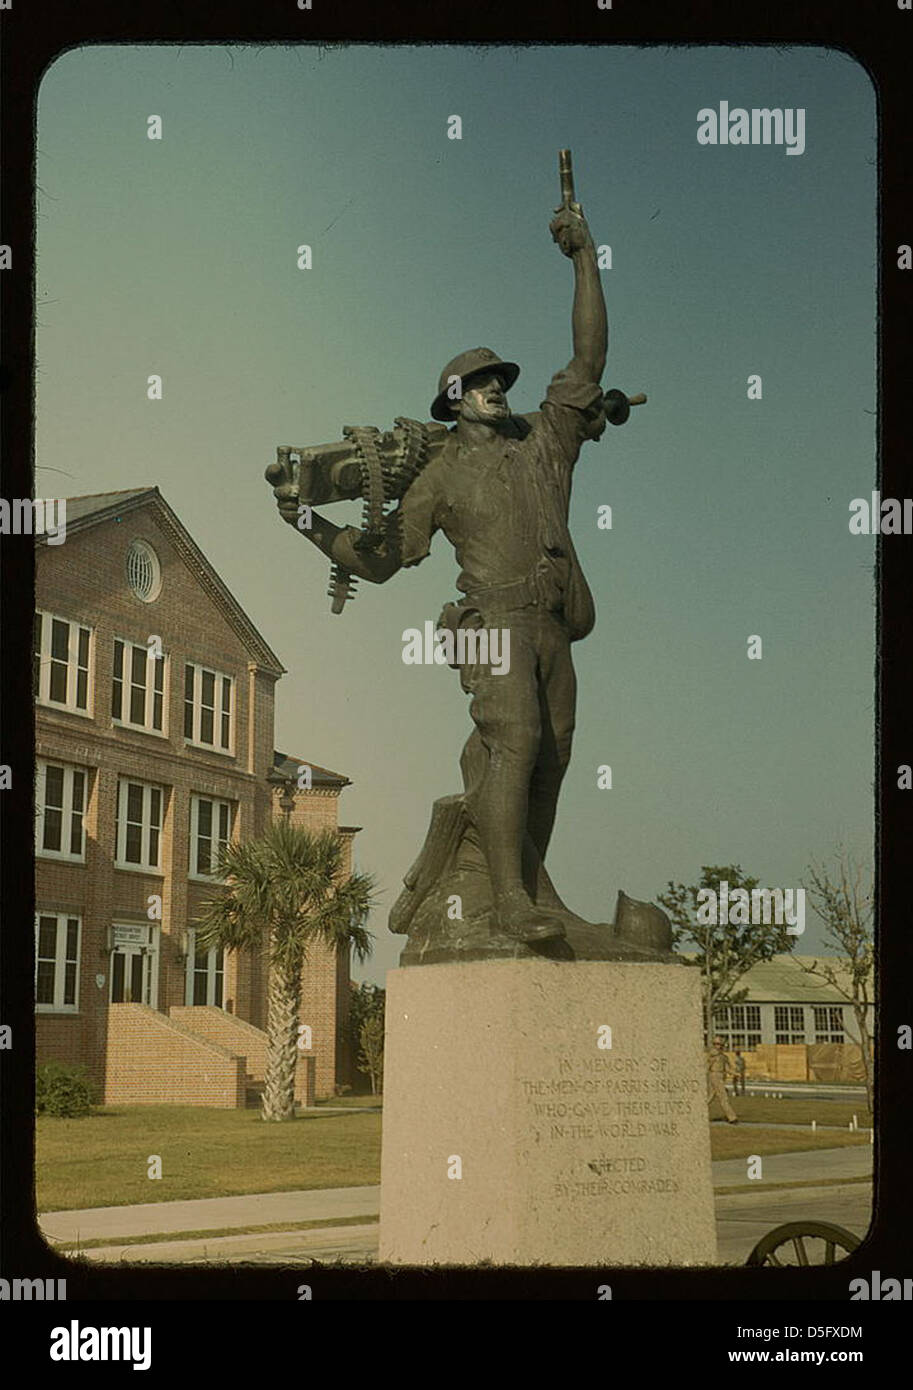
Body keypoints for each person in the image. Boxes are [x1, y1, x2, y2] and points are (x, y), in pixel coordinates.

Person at [273, 202, 608, 948]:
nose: (493, 388)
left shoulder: (545, 440)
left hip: (553, 626)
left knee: (551, 760)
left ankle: (518, 887)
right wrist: (304, 521)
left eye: (497, 379)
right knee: (513, 742)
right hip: (490, 627)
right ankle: (508, 901)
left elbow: (587, 361)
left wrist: (585, 257)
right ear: (452, 402)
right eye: (477, 382)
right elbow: (379, 562)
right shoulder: (438, 477)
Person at [707, 1036, 738, 1123]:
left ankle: (697, 1111)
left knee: (710, 1097)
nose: (718, 1046)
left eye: (720, 1044)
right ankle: (732, 1117)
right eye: (716, 1044)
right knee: (723, 1097)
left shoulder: (723, 1057)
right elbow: (707, 1067)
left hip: (719, 1076)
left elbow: (727, 1069)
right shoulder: (713, 1055)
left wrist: (736, 1074)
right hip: (715, 1076)